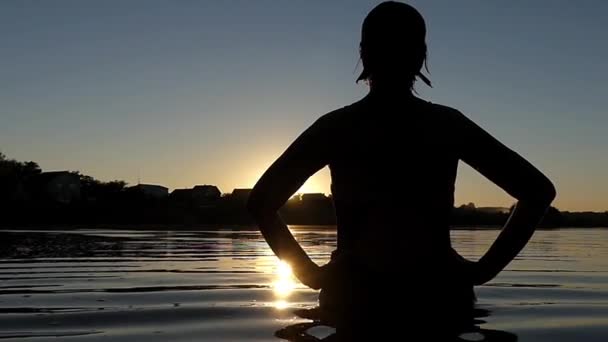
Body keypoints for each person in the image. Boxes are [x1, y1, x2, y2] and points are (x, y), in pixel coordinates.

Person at [248, 1, 556, 339]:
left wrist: (312, 275)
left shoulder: (337, 128)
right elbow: (537, 191)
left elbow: (261, 202)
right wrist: (482, 271)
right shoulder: (446, 125)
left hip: (355, 296)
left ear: (364, 53)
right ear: (421, 54)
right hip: (437, 295)